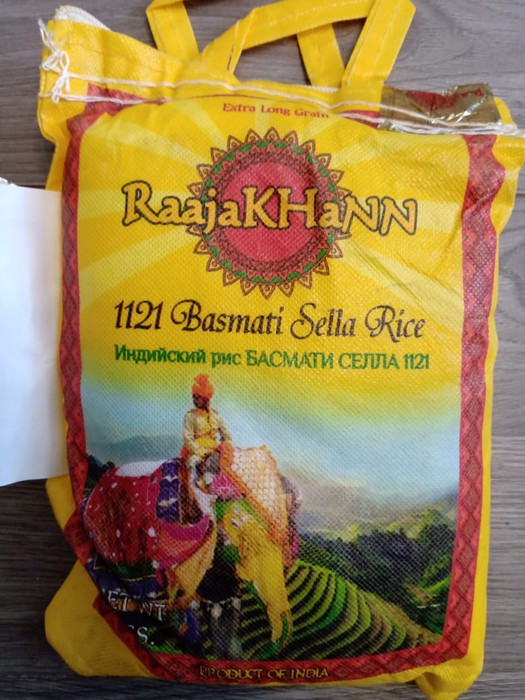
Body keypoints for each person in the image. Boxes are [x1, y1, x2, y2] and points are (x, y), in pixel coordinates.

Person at [180, 374, 231, 520]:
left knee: (223, 469)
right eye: (193, 397)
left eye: (198, 397)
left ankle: (220, 499)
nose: (195, 400)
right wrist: (202, 452)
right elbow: (188, 439)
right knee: (194, 473)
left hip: (214, 453)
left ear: (206, 399)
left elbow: (227, 436)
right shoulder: (190, 416)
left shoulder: (216, 416)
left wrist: (224, 447)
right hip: (196, 452)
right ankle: (196, 508)